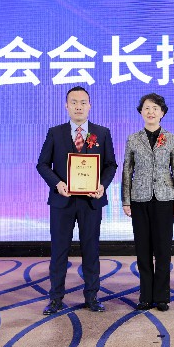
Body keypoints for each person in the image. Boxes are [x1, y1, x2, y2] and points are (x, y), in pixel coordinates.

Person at [37, 86, 118, 314]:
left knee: (91, 250)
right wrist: (57, 184)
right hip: (62, 201)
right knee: (59, 250)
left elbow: (111, 165)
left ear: (89, 106)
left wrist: (102, 185)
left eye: (83, 102)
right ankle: (55, 298)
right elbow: (42, 164)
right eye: (74, 102)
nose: (79, 106)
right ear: (66, 106)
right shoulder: (56, 133)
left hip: (91, 201)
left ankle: (92, 297)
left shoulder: (102, 133)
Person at [122, 93, 174, 312]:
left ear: (162, 113)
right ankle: (145, 296)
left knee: (163, 250)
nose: (151, 112)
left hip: (165, 198)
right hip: (139, 198)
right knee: (143, 250)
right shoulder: (133, 139)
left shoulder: (172, 139)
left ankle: (162, 296)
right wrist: (126, 200)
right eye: (147, 108)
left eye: (155, 108)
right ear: (141, 112)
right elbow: (127, 170)